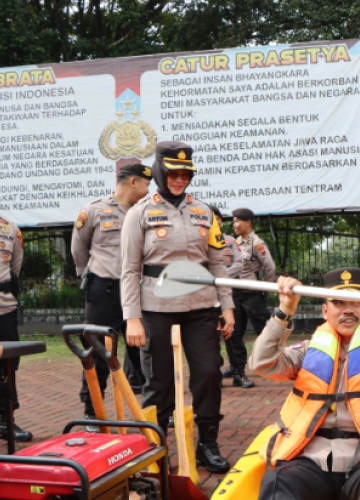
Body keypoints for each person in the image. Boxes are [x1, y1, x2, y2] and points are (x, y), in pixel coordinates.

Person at [249, 268, 360, 500]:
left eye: (356, 302)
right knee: (277, 479)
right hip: (309, 463)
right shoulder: (309, 350)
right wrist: (285, 310)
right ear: (325, 311)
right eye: (338, 303)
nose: (348, 309)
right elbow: (261, 363)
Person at [121, 141, 234, 473]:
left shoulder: (204, 212)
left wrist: (226, 307)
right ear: (159, 171)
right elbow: (129, 269)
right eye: (173, 172)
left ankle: (207, 444)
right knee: (159, 381)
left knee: (209, 374)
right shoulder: (139, 213)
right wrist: (132, 319)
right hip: (156, 308)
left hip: (200, 306)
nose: (180, 179)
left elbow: (217, 264)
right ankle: (157, 447)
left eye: (186, 173)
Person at [71, 163, 151, 431]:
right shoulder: (93, 210)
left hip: (136, 292)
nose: (149, 189)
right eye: (146, 183)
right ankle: (93, 412)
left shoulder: (146, 211)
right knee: (97, 353)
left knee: (144, 352)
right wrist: (91, 278)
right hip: (102, 291)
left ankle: (154, 410)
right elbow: (78, 250)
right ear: (133, 182)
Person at [226, 208, 276, 388]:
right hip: (235, 294)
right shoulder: (235, 242)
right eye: (233, 221)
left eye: (238, 221)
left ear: (248, 222)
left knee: (265, 331)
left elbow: (269, 267)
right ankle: (236, 367)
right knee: (234, 333)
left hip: (252, 294)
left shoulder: (257, 243)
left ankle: (275, 365)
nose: (235, 225)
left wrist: (265, 290)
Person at [0, 216, 31, 442]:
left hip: (5, 308)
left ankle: (5, 421)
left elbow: (15, 267)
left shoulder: (10, 229)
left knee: (8, 365)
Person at [210, 206, 248, 387]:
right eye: (211, 218)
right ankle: (213, 371)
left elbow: (239, 265)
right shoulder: (197, 241)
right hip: (207, 295)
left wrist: (219, 277)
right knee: (208, 335)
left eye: (217, 218)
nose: (215, 221)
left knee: (233, 333)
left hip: (229, 293)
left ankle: (239, 370)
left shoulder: (230, 241)